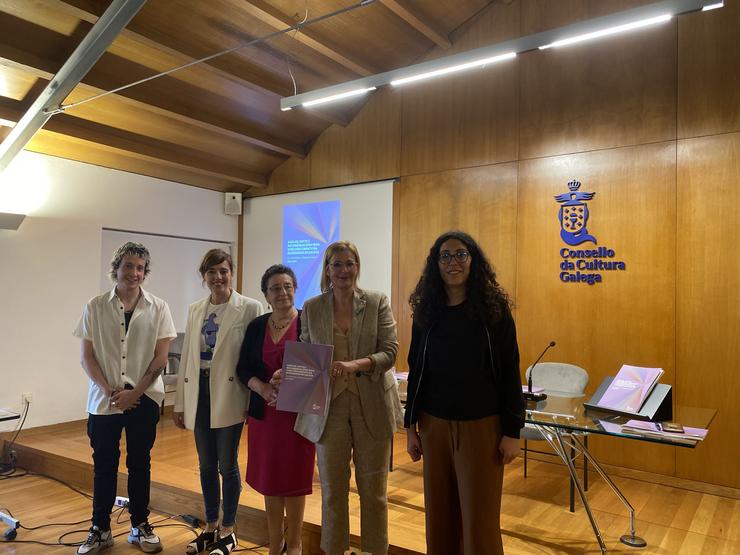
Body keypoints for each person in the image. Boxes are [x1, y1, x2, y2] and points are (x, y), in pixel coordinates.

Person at [404, 231, 524, 555]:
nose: (453, 262)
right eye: (445, 256)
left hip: (481, 427)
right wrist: (410, 427)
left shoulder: (494, 311)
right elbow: (417, 369)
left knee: (479, 522)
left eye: (460, 254)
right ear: (436, 264)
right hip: (434, 427)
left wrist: (512, 430)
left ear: (473, 261)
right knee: (439, 519)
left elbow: (510, 371)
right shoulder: (426, 313)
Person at [292, 241, 399, 555]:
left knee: (374, 492)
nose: (344, 270)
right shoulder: (311, 307)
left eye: (349, 263)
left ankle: (374, 551)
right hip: (328, 409)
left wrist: (356, 365)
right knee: (332, 491)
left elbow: (390, 352)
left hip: (373, 405)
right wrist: (291, 374)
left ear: (358, 267)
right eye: (337, 264)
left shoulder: (377, 301)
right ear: (327, 270)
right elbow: (307, 357)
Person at [74, 242, 177, 555]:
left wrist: (136, 392)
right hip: (104, 399)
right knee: (103, 465)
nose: (134, 273)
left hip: (143, 398)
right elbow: (86, 357)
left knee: (139, 464)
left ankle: (139, 525)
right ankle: (100, 529)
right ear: (116, 268)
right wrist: (109, 390)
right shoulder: (95, 306)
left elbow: (161, 358)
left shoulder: (159, 307)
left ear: (145, 272)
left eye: (140, 268)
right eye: (129, 266)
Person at [173, 249, 263, 555]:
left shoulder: (249, 307)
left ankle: (229, 527)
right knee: (206, 464)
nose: (218, 277)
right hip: (199, 390)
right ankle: (210, 525)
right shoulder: (196, 308)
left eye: (223, 271)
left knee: (227, 463)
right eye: (211, 272)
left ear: (231, 273)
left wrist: (252, 400)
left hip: (231, 392)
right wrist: (180, 403)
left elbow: (254, 357)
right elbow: (187, 358)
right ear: (204, 277)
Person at [236, 265, 314, 555]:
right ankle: (274, 543)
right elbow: (243, 368)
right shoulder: (257, 326)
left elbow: (318, 367)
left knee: (294, 480)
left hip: (298, 416)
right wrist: (263, 388)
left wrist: (292, 378)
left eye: (287, 286)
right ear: (266, 295)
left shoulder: (309, 322)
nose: (282, 292)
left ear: (295, 288)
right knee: (271, 481)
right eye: (275, 288)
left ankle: (295, 543)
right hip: (265, 416)